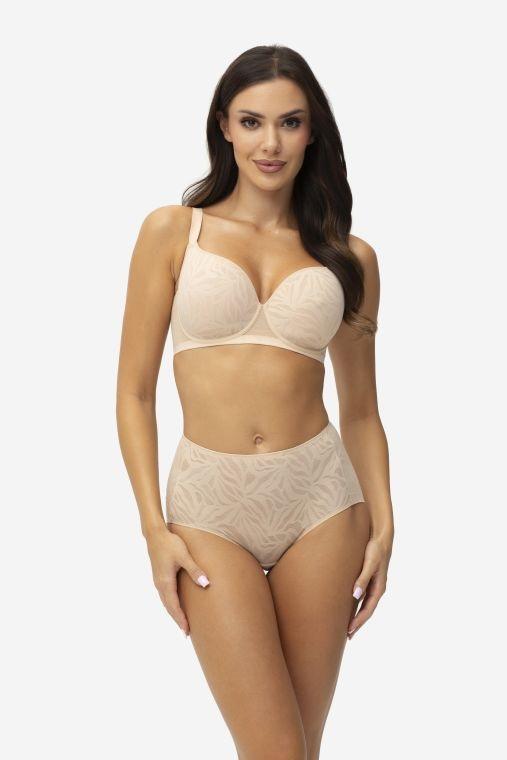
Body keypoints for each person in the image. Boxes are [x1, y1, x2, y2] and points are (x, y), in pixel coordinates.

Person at [116, 44, 394, 760]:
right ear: (224, 126)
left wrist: (385, 525)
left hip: (322, 505)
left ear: (312, 131)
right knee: (274, 748)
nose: (270, 143)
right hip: (209, 508)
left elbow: (361, 410)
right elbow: (134, 391)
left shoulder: (350, 257)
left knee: (299, 751)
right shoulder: (173, 231)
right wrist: (152, 529)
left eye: (289, 122)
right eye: (251, 121)